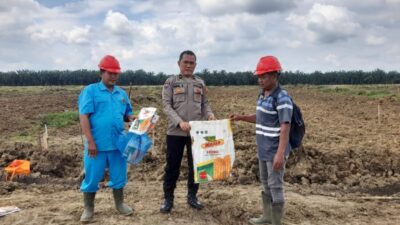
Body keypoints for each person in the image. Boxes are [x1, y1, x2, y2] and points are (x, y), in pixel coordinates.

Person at [230, 56, 292, 225]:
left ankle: (276, 222)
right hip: (263, 149)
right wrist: (241, 117)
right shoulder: (262, 95)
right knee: (265, 183)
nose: (260, 80)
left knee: (276, 185)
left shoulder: (282, 97)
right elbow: (260, 117)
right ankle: (267, 217)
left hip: (274, 151)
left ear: (274, 75)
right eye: (259, 76)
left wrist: (280, 153)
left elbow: (285, 127)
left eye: (263, 76)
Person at [78, 55, 135, 222]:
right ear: (101, 72)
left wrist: (131, 118)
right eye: (110, 73)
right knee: (92, 176)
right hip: (97, 145)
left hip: (118, 144)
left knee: (119, 176)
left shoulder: (121, 93)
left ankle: (120, 204)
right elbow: (84, 117)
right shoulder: (91, 91)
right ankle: (88, 208)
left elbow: (126, 114)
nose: (113, 77)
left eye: (116, 73)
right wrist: (90, 141)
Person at [160, 50, 215, 213]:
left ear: (195, 65)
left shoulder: (200, 83)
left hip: (196, 134)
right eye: (186, 62)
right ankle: (168, 199)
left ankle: (192, 197)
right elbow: (167, 106)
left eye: (192, 63)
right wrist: (180, 122)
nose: (189, 65)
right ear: (179, 63)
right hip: (175, 132)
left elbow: (205, 104)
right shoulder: (171, 82)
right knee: (172, 167)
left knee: (197, 166)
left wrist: (210, 114)